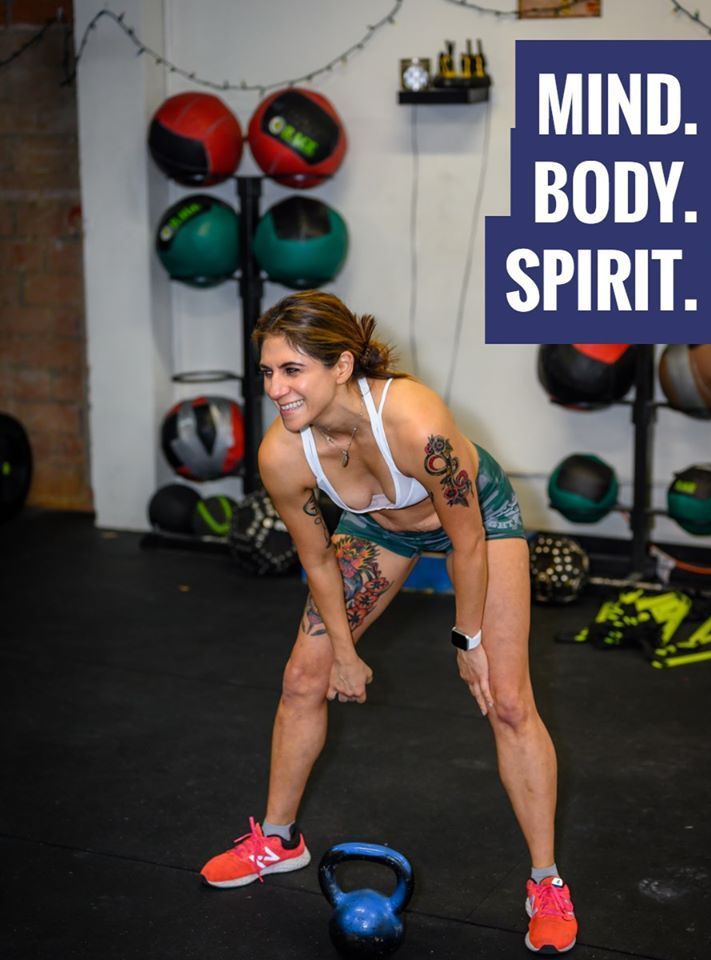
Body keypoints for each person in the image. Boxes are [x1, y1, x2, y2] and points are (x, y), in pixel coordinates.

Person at [200, 291, 578, 954]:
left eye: (292, 371)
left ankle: (545, 882)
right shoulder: (283, 455)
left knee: (510, 701)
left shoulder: (414, 421)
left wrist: (469, 641)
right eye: (267, 373)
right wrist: (342, 653)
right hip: (379, 532)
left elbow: (465, 541)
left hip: (479, 525)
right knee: (302, 678)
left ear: (341, 366)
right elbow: (317, 561)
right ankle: (278, 839)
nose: (275, 389)